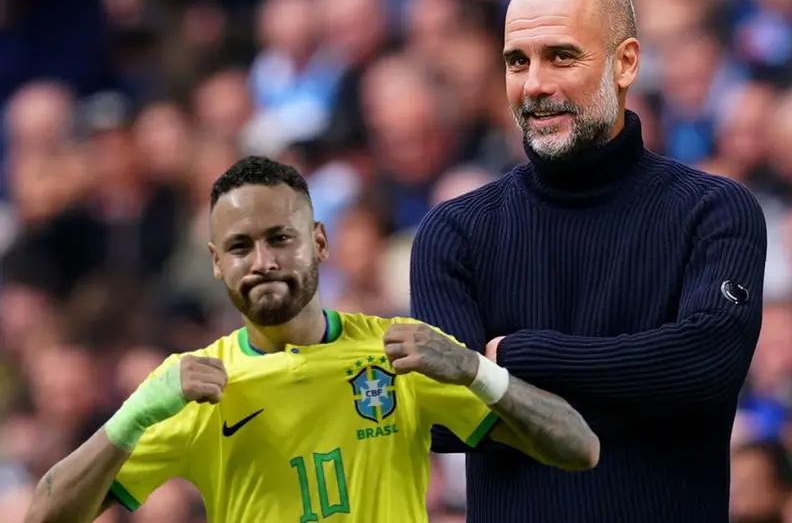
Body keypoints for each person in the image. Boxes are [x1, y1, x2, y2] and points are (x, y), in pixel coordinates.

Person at [24, 156, 600, 522]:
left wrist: (477, 370)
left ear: (319, 242)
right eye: (241, 247)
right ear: (216, 264)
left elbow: (579, 448)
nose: (264, 262)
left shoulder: (400, 354)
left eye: (282, 238)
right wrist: (134, 416)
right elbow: (45, 516)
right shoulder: (197, 387)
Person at [412, 0, 768, 521]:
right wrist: (643, 381)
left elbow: (706, 364)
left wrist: (515, 358)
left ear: (625, 62)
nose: (535, 85)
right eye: (516, 62)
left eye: (561, 56)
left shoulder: (713, 210)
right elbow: (445, 418)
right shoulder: (455, 232)